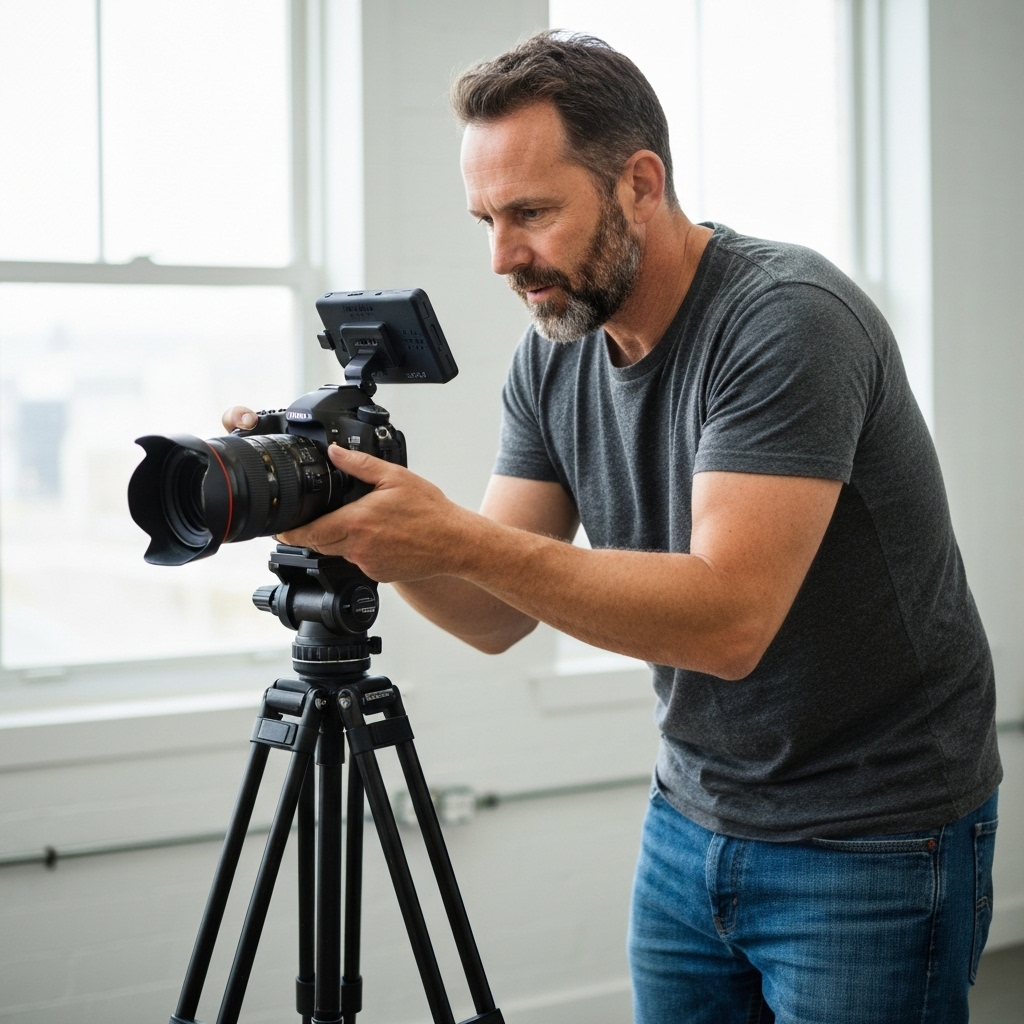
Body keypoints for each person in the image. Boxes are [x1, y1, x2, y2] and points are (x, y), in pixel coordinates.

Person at [226, 31, 1001, 1024]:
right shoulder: (554, 356)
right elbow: (492, 612)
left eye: (533, 213)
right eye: (487, 220)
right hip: (691, 813)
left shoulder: (786, 320)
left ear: (640, 182)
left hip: (872, 833)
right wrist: (353, 517)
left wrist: (451, 534)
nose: (505, 257)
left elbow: (727, 622)